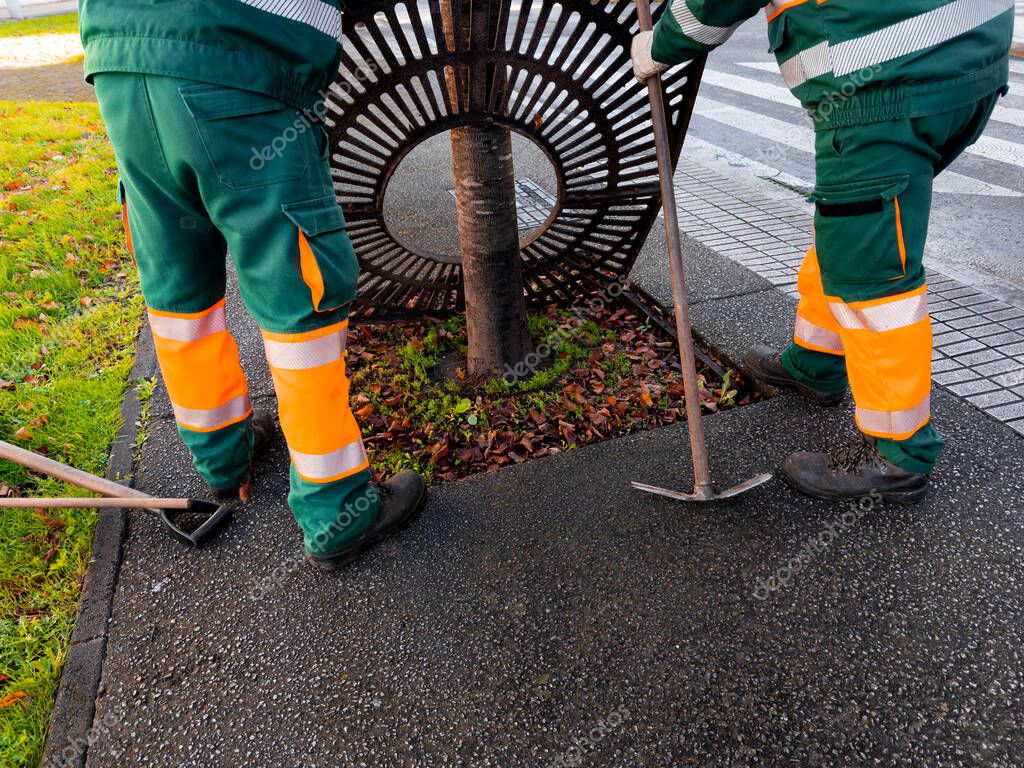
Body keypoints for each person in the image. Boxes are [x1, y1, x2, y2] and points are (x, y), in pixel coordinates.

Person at [79, 0, 426, 569]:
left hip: (119, 56)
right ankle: (337, 507)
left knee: (177, 284)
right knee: (298, 297)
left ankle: (223, 455)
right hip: (238, 53)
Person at [633, 0, 1014, 503]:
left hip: (886, 88)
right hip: (965, 63)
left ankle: (897, 455)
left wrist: (660, 44)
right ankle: (816, 362)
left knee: (872, 279)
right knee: (855, 234)